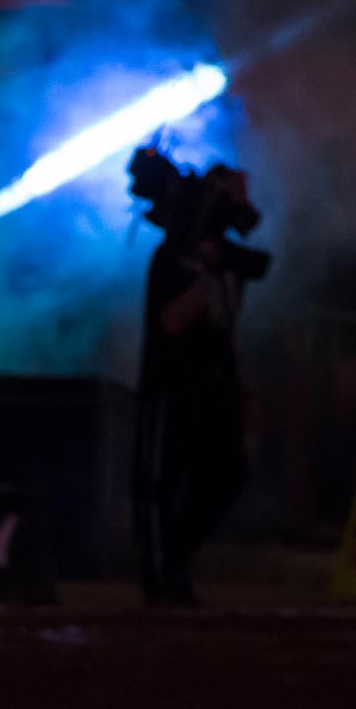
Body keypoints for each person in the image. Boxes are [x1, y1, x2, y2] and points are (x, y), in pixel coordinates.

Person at [134, 164, 258, 606]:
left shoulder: (227, 258)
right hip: (174, 383)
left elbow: (227, 327)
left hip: (215, 381)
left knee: (228, 473)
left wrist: (240, 383)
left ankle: (176, 557)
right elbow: (168, 322)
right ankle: (163, 574)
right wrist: (205, 277)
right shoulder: (172, 257)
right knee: (165, 480)